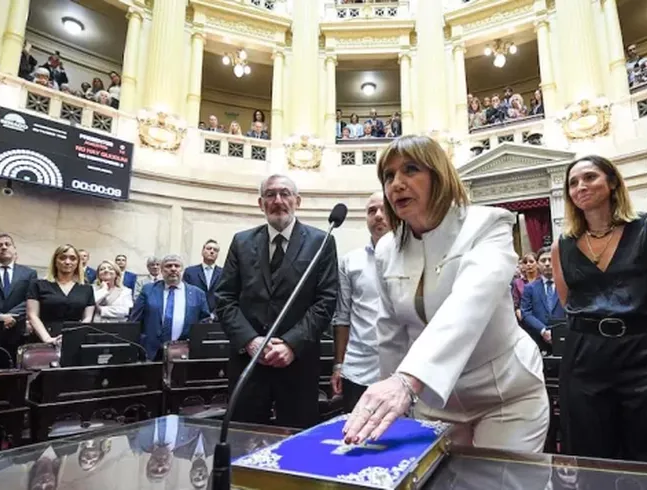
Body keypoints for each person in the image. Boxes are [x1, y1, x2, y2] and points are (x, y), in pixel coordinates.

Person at [343, 136, 548, 451]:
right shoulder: (386, 248)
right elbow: (391, 333)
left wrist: (405, 382)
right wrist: (390, 399)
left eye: (410, 170)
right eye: (388, 175)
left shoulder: (488, 224)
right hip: (434, 401)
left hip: (506, 395)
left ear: (439, 176)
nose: (396, 184)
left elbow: (469, 303)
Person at [550, 155, 647, 464]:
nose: (581, 187)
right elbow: (569, 303)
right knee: (592, 454)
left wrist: (639, 329)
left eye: (590, 177)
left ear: (613, 182)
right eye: (573, 183)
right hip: (584, 359)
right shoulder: (562, 244)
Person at [215, 174, 338, 428]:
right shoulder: (241, 241)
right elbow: (225, 298)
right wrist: (251, 341)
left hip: (298, 362)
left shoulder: (321, 241)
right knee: (243, 437)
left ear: (298, 201)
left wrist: (291, 344)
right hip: (249, 362)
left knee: (297, 444)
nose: (278, 200)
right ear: (261, 203)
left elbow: (325, 301)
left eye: (285, 194)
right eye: (270, 195)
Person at [331, 193, 389, 413]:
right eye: (372, 211)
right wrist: (339, 365)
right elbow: (342, 316)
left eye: (384, 209)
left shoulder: (412, 255)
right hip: (357, 368)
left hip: (398, 369)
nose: (378, 216)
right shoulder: (350, 261)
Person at [131, 255, 211, 360]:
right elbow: (135, 320)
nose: (173, 269)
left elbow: (204, 322)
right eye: (168, 266)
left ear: (182, 270)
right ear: (162, 270)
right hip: (152, 352)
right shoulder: (148, 290)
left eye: (176, 266)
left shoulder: (197, 293)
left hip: (184, 352)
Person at [26, 244, 95, 343]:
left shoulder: (87, 288)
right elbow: (32, 315)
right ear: (55, 261)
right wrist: (47, 339)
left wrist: (74, 336)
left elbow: (88, 317)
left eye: (72, 258)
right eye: (62, 258)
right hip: (43, 337)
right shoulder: (38, 284)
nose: (67, 262)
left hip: (75, 339)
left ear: (78, 263)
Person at [520, 246, 566, 353]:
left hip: (564, 338)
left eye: (551, 260)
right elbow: (526, 313)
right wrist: (543, 330)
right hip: (537, 339)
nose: (547, 264)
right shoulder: (530, 288)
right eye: (543, 260)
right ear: (537, 264)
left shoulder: (566, 287)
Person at [183, 240, 224, 313]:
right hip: (195, 315)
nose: (212, 251)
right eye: (209, 248)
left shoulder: (224, 273)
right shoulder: (190, 272)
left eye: (215, 250)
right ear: (202, 252)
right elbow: (185, 295)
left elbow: (225, 295)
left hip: (217, 316)